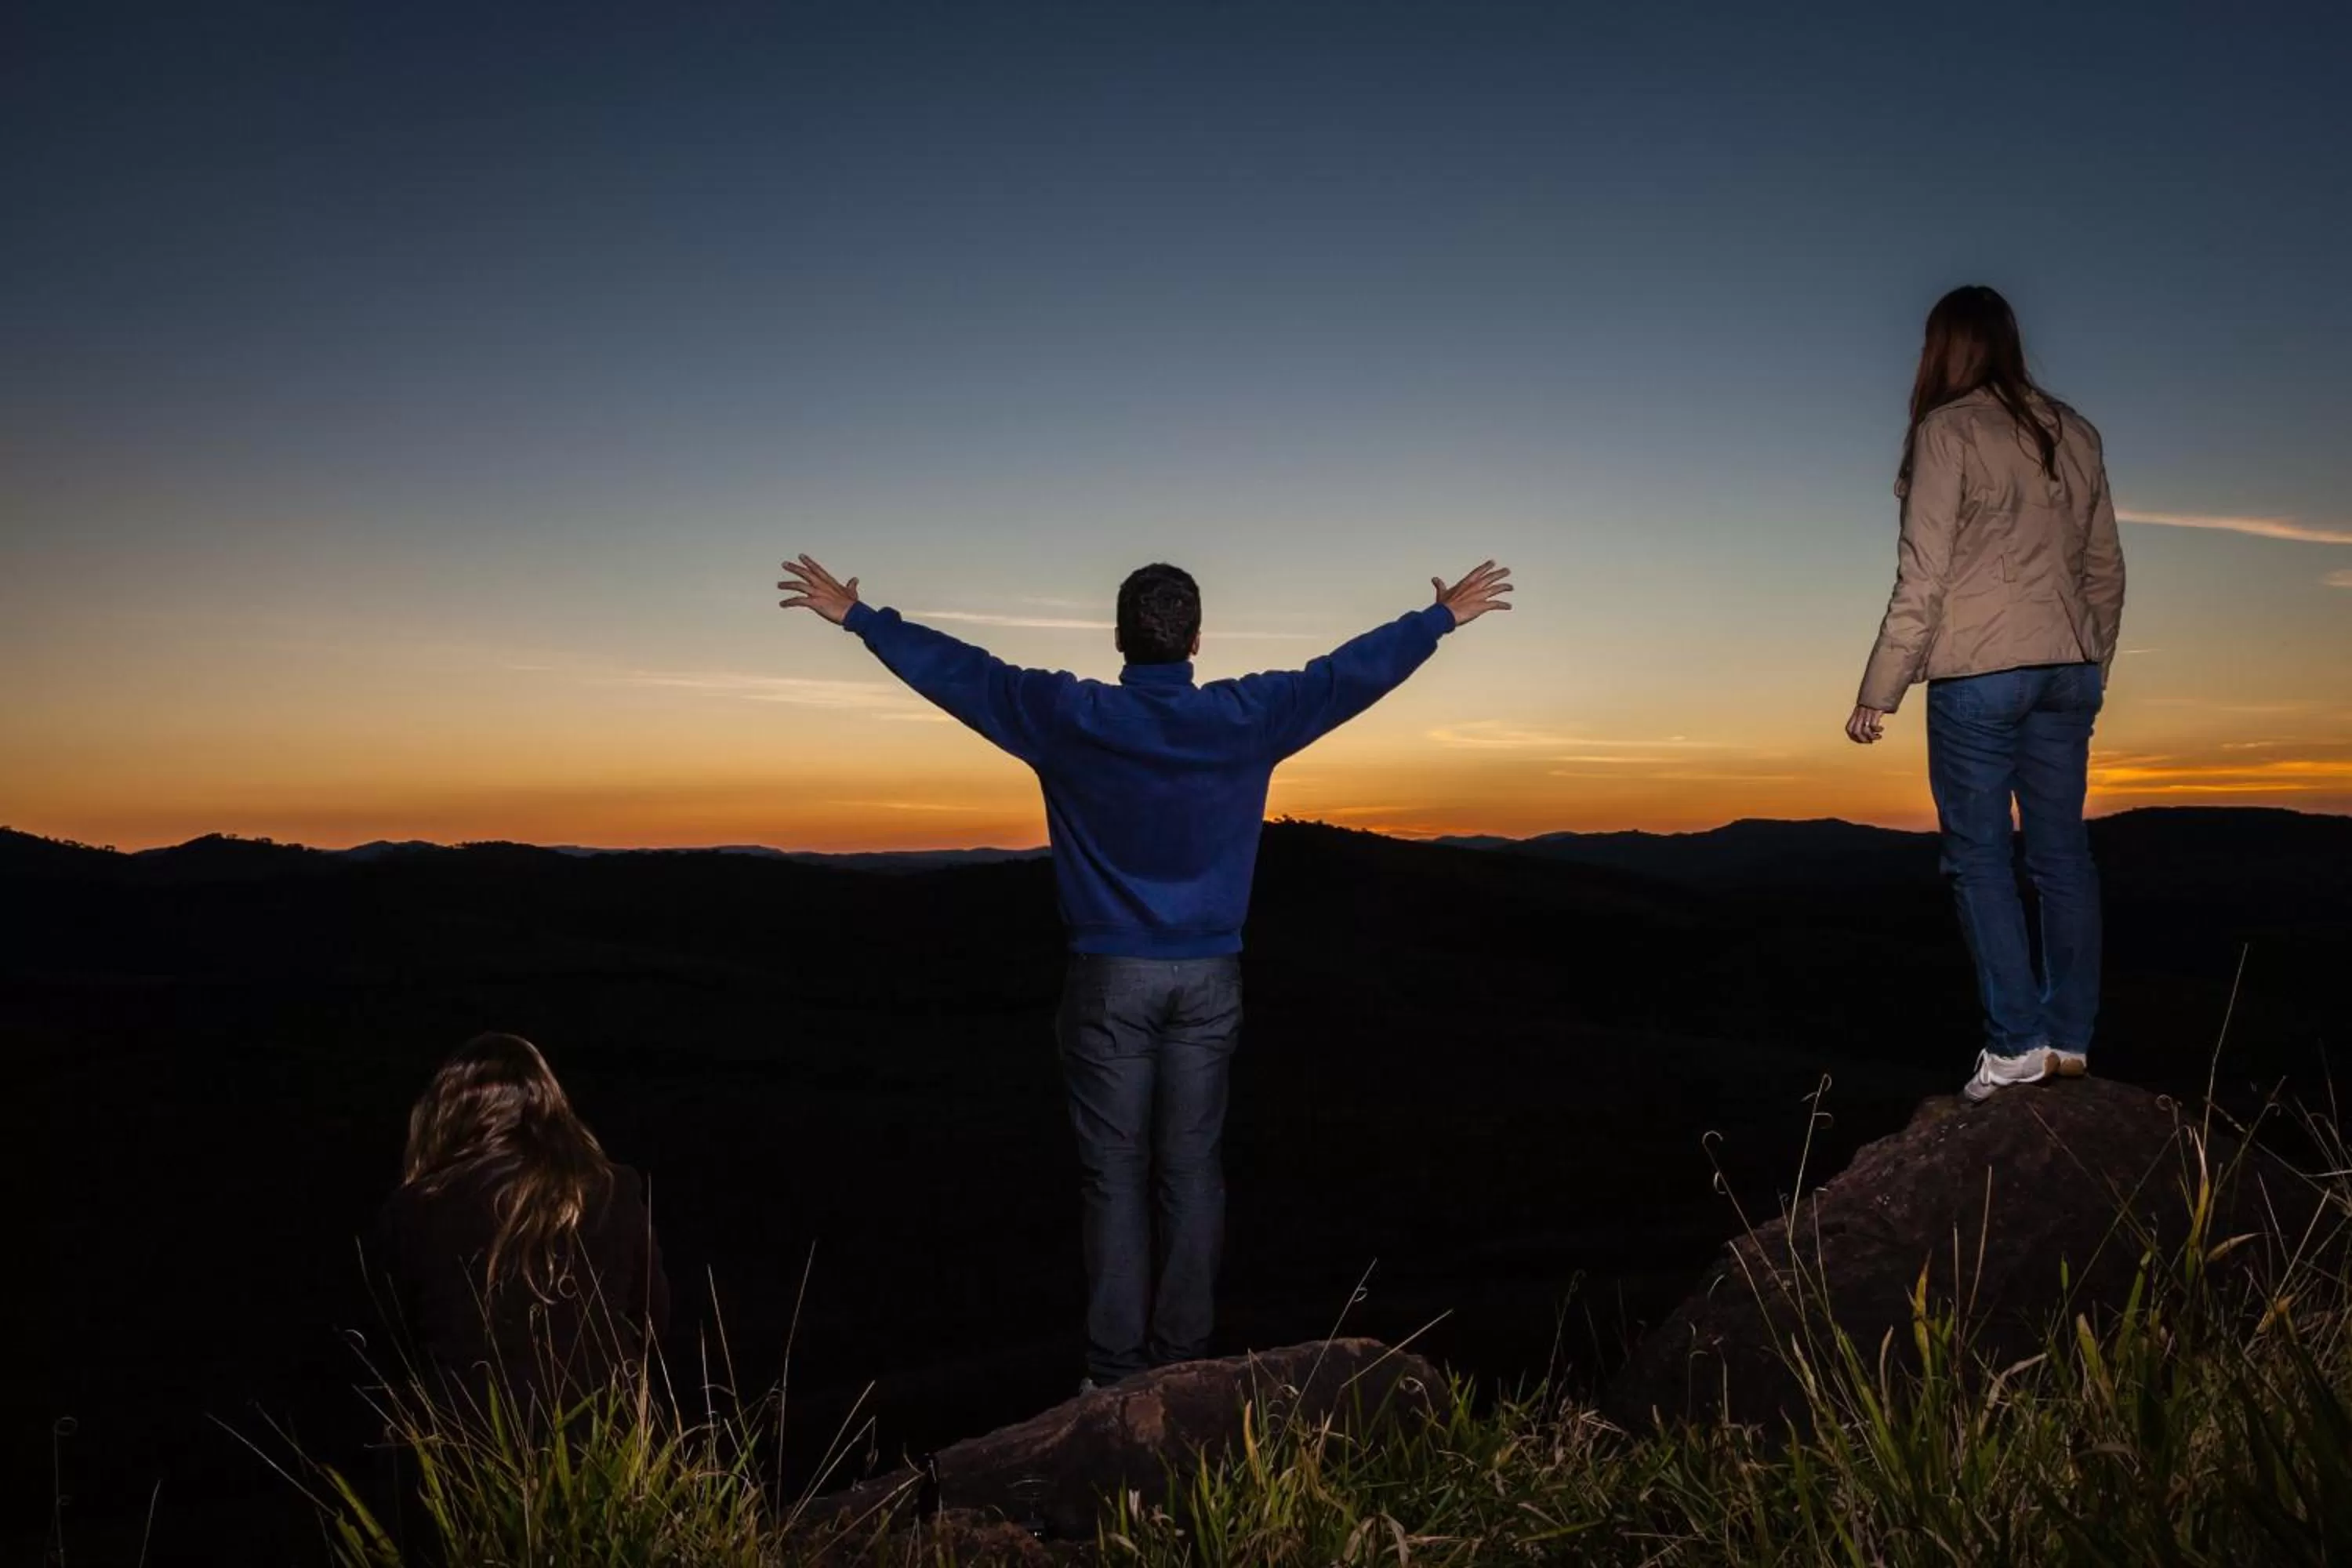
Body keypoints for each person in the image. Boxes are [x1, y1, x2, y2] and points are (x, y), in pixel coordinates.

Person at [778, 554, 1513, 1386]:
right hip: (1209, 979)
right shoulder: (1247, 714)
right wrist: (1437, 620)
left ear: (1118, 639)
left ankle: (1115, 1372)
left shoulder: (1068, 713)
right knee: (1192, 1167)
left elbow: (966, 676)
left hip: (1108, 980)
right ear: (1197, 640)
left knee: (1114, 1173)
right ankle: (1183, 1361)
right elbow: (1343, 677)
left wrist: (863, 618)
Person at [1846, 285, 2126, 1104]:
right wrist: (2092, 665)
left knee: (1978, 858)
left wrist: (1881, 685)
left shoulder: (1948, 429)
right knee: (2063, 856)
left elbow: (1922, 575)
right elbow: (2105, 567)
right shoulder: (2075, 431)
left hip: (1981, 672)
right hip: (2068, 665)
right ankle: (2070, 1041)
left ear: (1944, 348)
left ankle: (2014, 1047)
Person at [376, 1033, 670, 1405]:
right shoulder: (611, 1189)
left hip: (463, 1439)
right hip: (604, 1438)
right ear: (552, 1110)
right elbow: (650, 1318)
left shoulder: (414, 1208)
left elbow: (389, 1341)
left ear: (445, 1115)